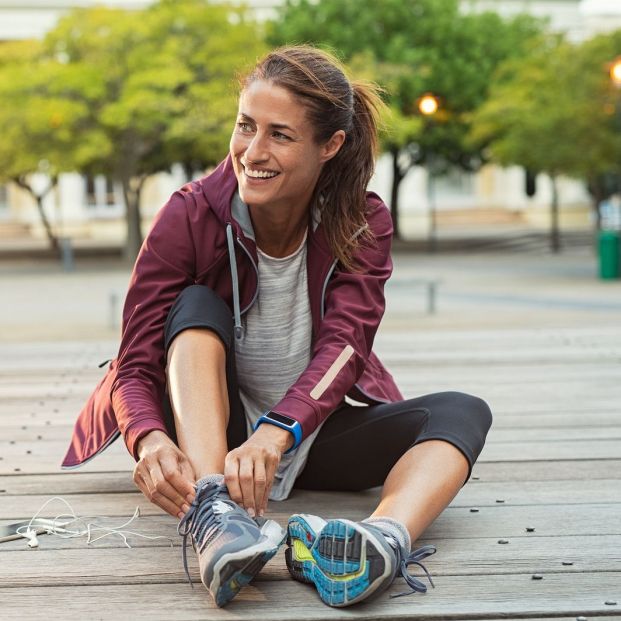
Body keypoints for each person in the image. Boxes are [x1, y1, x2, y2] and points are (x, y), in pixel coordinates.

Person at [62, 45, 492, 609]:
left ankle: (382, 541)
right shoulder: (189, 214)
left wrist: (278, 430)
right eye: (245, 126)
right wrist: (149, 437)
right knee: (193, 306)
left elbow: (347, 346)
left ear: (330, 146)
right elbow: (135, 362)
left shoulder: (362, 221)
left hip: (305, 432)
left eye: (280, 135)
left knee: (462, 411)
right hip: (212, 438)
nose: (252, 152)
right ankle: (215, 517)